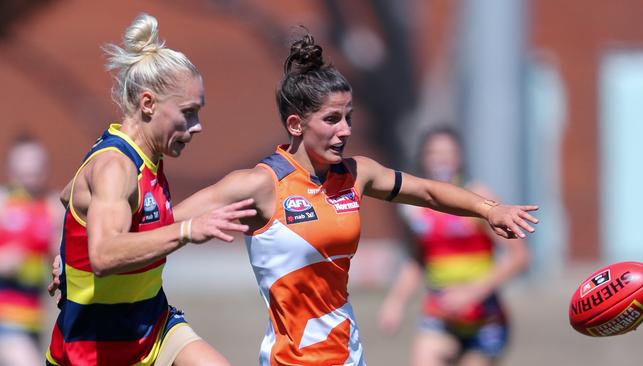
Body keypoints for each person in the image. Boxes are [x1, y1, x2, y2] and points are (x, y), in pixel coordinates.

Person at [173, 33, 539, 366]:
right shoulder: (261, 183)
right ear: (296, 125)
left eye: (348, 117)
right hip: (291, 360)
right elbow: (167, 221)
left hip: (349, 354)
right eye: (332, 119)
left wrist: (490, 210)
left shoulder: (356, 173)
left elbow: (427, 191)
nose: (345, 130)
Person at [45, 13, 256, 366]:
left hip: (154, 328)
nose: (198, 126)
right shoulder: (117, 166)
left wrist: (69, 249)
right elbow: (104, 256)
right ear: (148, 104)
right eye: (188, 113)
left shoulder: (146, 158)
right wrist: (187, 231)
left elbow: (72, 196)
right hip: (93, 349)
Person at [377, 127, 530, 366]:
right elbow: (417, 260)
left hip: (484, 318)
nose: (442, 159)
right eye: (435, 153)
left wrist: (472, 292)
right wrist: (395, 302)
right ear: (424, 158)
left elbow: (519, 256)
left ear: (460, 158)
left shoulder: (479, 199)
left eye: (449, 153)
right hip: (440, 316)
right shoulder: (412, 209)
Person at [0, 135, 62, 366]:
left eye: (35, 171)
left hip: (35, 318)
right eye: (24, 171)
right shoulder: (4, 204)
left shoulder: (52, 208)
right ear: (12, 169)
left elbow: (62, 254)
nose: (30, 178)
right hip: (5, 317)